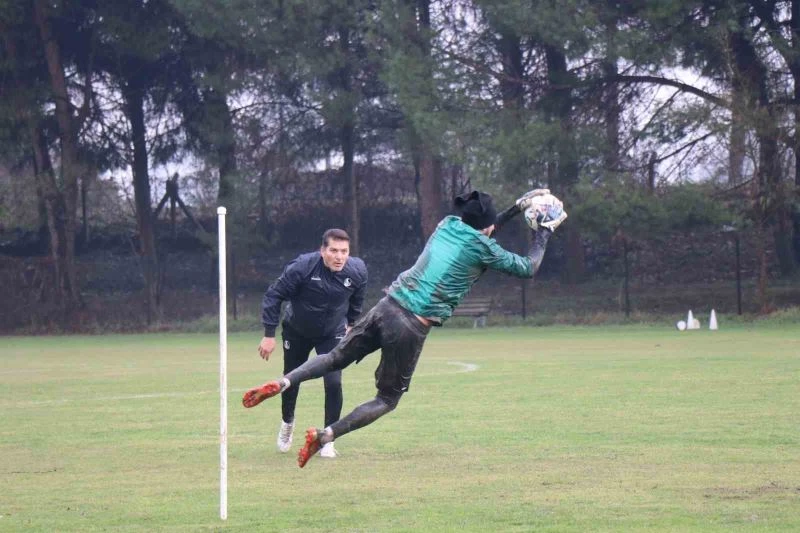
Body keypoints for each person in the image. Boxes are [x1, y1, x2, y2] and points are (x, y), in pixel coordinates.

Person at [243, 189, 566, 467]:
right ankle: (326, 435)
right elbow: (528, 267)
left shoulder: (448, 225)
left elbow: (485, 227)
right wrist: (544, 230)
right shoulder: (484, 248)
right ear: (488, 225)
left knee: (333, 357)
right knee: (387, 399)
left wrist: (518, 207)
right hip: (411, 324)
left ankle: (285, 381)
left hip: (387, 305)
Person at [256, 228, 367, 458]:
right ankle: (287, 423)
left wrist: (352, 324)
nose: (339, 256)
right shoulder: (302, 267)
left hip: (332, 333)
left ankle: (328, 438)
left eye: (344, 251)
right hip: (297, 331)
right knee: (291, 380)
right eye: (334, 250)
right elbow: (274, 295)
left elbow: (357, 298)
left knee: (334, 382)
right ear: (322, 251)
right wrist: (269, 334)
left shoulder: (357, 271)